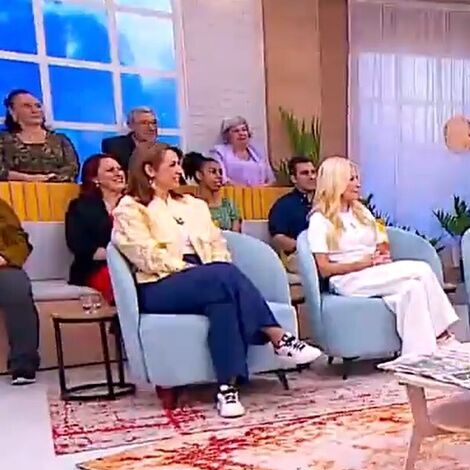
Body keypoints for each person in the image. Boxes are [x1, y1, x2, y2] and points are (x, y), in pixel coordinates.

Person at [111, 143, 323, 418]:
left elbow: (217, 243)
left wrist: (211, 270)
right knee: (221, 276)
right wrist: (193, 270)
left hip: (208, 277)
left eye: (179, 164)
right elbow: (145, 255)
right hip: (159, 283)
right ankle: (278, 336)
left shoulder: (193, 205)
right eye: (172, 165)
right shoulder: (130, 209)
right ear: (149, 170)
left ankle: (227, 389)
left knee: (223, 300)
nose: (179, 171)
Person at [307, 156, 459, 358]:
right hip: (347, 279)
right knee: (421, 270)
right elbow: (324, 268)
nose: (358, 184)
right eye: (351, 179)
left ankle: (418, 354)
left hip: (373, 271)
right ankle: (442, 333)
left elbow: (381, 239)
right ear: (336, 182)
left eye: (357, 178)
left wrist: (381, 254)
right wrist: (363, 263)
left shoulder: (361, 212)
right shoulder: (320, 220)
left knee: (412, 289)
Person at [65, 154, 127, 305]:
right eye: (110, 170)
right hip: (95, 268)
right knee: (123, 281)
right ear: (94, 179)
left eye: (119, 169)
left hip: (135, 265)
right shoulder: (81, 207)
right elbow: (79, 246)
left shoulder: (134, 204)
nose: (118, 173)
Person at [0, 89, 78, 182]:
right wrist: (29, 179)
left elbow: (72, 169)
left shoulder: (60, 140)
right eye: (27, 106)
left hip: (55, 189)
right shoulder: (3, 140)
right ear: (12, 111)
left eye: (38, 106)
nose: (35, 110)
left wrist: (49, 179)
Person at [0, 196, 38, 384]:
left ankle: (23, 364)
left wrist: (5, 258)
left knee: (16, 286)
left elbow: (19, 241)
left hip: (1, 266)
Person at [266, 156, 316, 269]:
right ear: (294, 179)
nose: (312, 177)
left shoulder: (324, 202)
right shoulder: (284, 205)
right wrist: (304, 248)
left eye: (313, 172)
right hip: (298, 255)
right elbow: (278, 238)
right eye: (305, 173)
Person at [182, 152, 241, 232]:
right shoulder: (191, 205)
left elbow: (236, 235)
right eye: (213, 172)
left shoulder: (229, 205)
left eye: (220, 172)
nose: (219, 176)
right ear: (199, 175)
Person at [208, 116, 273, 187]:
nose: (241, 133)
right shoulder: (219, 152)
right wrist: (245, 190)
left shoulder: (258, 152)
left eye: (244, 130)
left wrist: (260, 189)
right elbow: (221, 178)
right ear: (227, 135)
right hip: (231, 192)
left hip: (261, 192)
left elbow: (271, 180)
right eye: (236, 131)